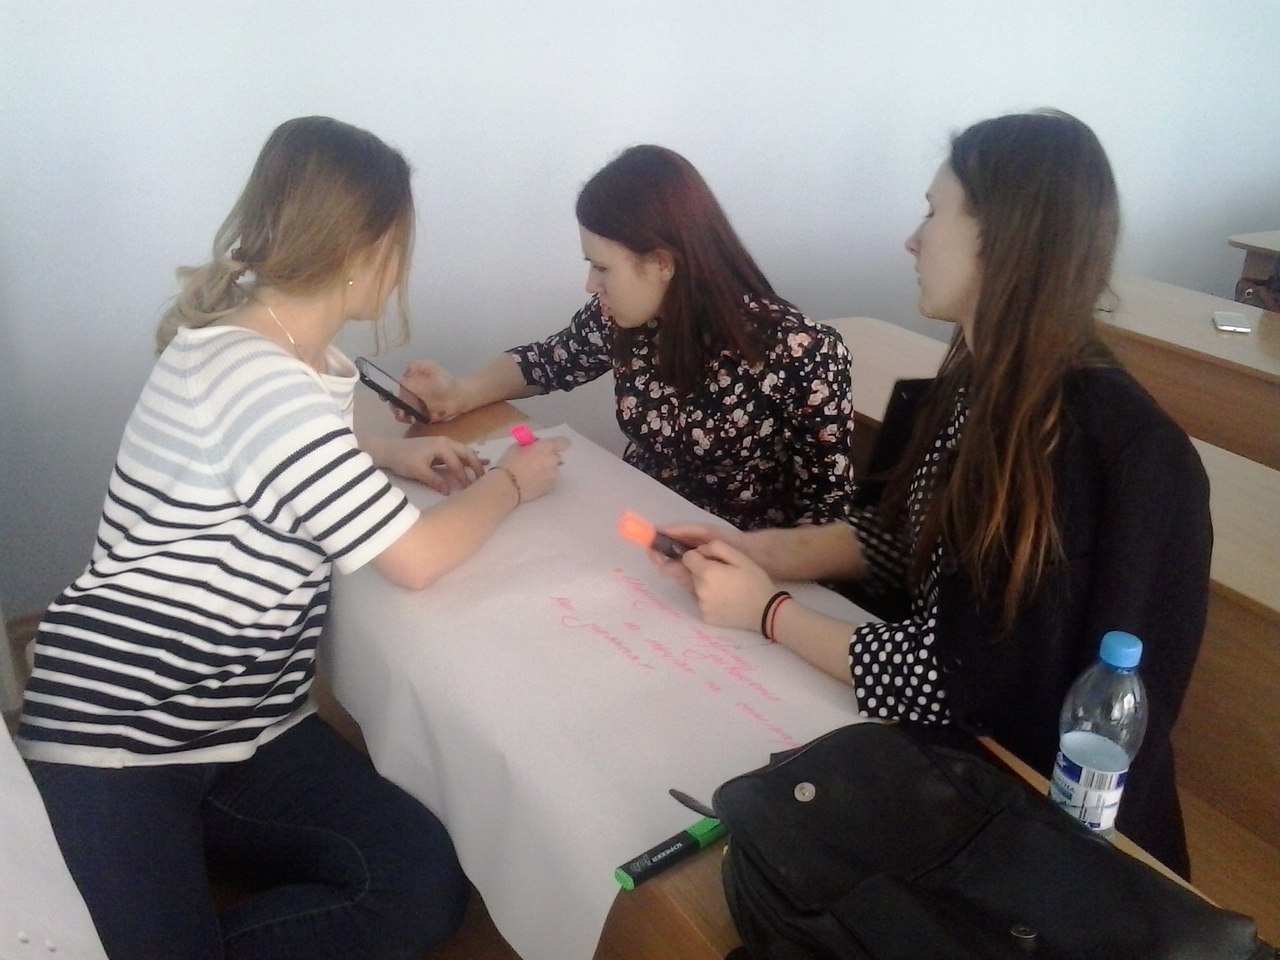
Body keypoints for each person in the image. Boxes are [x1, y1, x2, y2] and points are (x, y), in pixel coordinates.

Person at [16, 116, 567, 960]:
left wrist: (387, 453)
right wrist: (512, 483)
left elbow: (264, 464)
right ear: (363, 251)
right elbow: (415, 559)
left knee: (420, 885)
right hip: (120, 736)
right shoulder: (265, 380)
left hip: (246, 723)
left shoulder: (272, 346)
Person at [656, 111, 1211, 878]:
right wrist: (755, 552)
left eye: (933, 212)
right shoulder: (983, 384)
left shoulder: (1092, 447)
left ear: (1003, 234)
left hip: (1026, 824)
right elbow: (908, 538)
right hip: (956, 767)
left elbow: (949, 679)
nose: (912, 241)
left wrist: (767, 612)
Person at [398, 144, 855, 530]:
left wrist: (745, 567)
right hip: (635, 525)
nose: (591, 285)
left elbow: (827, 521)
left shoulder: (802, 352)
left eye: (602, 267)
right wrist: (458, 394)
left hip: (738, 559)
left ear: (662, 263)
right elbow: (548, 361)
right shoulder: (623, 317)